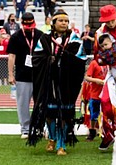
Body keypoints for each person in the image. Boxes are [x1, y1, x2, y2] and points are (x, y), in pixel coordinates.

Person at [27, 9, 87, 155]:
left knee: (65, 114)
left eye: (66, 21)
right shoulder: (45, 39)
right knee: (49, 112)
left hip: (66, 83)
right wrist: (49, 61)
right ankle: (52, 138)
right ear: (53, 23)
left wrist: (64, 59)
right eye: (61, 21)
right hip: (49, 82)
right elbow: (36, 57)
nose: (64, 23)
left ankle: (62, 143)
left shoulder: (74, 39)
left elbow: (81, 59)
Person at [7, 11, 40, 137]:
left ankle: (38, 126)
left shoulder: (40, 35)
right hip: (22, 76)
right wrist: (10, 74)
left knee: (40, 103)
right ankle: (25, 128)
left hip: (38, 75)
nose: (28, 26)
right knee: (22, 104)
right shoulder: (16, 37)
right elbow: (11, 56)